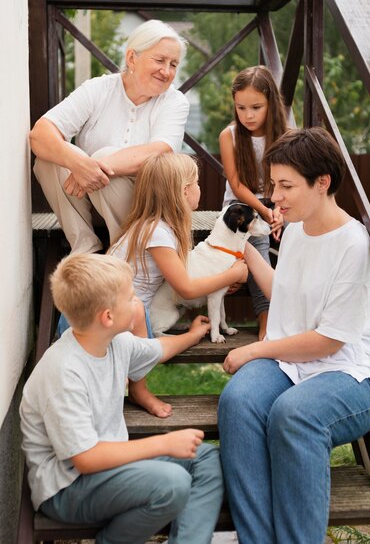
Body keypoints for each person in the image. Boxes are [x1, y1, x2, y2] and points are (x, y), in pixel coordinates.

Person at [218, 127, 370, 544]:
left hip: (348, 373)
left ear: (322, 183)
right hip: (291, 364)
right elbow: (286, 294)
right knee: (237, 402)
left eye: (286, 186)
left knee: (293, 414)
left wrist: (254, 348)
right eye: (274, 185)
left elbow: (330, 339)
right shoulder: (294, 230)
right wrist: (244, 251)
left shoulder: (355, 244)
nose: (275, 196)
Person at [20, 253, 224, 544]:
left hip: (110, 469)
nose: (138, 303)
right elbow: (86, 459)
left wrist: (193, 334)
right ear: (108, 317)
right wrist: (164, 442)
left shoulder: (115, 342)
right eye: (131, 297)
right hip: (68, 488)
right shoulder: (63, 371)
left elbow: (159, 348)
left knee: (206, 459)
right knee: (173, 483)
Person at [30, 19, 190, 254]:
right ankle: (85, 247)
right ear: (132, 58)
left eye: (173, 64)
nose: (166, 71)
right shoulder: (98, 89)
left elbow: (160, 151)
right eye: (159, 60)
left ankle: (125, 252)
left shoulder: (175, 101)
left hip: (146, 207)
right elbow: (40, 134)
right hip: (84, 198)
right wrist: (77, 163)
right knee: (49, 158)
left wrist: (94, 167)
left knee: (105, 156)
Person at [110, 151, 248, 417]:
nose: (199, 188)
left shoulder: (148, 227)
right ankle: (140, 388)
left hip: (119, 316)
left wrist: (218, 280)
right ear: (185, 191)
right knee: (149, 336)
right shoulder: (158, 233)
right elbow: (186, 288)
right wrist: (231, 275)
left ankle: (133, 384)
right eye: (196, 183)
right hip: (120, 319)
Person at [219, 65, 287, 339]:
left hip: (278, 201)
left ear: (271, 103)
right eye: (241, 108)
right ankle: (266, 321)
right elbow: (236, 185)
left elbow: (287, 181)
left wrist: (280, 211)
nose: (248, 115)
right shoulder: (230, 136)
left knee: (299, 235)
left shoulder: (285, 134)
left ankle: (302, 314)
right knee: (258, 248)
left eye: (256, 107)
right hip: (243, 206)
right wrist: (265, 212)